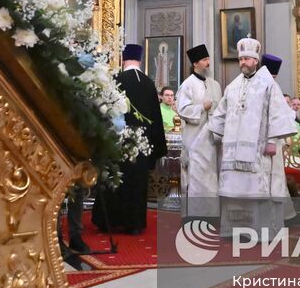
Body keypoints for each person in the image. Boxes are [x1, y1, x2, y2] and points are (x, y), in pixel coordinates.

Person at [208, 37, 297, 236]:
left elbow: (276, 113)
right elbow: (221, 112)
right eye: (241, 59)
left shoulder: (268, 85)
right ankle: (234, 229)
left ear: (256, 60)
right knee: (235, 191)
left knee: (258, 190)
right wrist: (215, 132)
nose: (243, 63)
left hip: (259, 151)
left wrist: (273, 141)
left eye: (247, 59)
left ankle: (261, 230)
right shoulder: (232, 86)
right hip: (233, 153)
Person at [93, 44, 167, 234]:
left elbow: (105, 111)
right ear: (140, 60)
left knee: (116, 179)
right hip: (142, 146)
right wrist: (157, 147)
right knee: (137, 182)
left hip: (117, 142)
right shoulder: (149, 83)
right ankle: (133, 224)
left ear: (123, 59)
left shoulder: (115, 79)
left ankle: (108, 221)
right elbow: (156, 119)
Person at [176, 44, 221, 219]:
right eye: (204, 60)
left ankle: (213, 215)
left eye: (208, 59)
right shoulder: (187, 85)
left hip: (213, 140)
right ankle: (196, 216)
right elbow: (183, 110)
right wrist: (202, 107)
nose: (208, 63)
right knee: (197, 178)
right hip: (195, 141)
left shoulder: (215, 85)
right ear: (195, 63)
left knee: (212, 178)